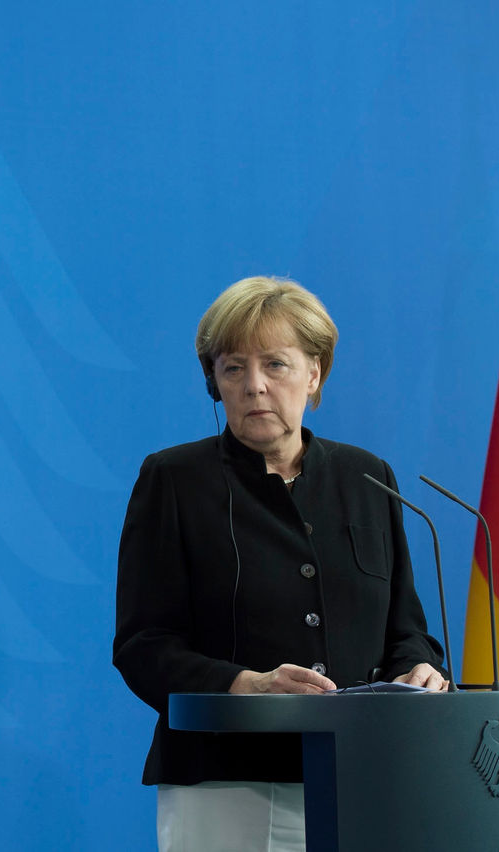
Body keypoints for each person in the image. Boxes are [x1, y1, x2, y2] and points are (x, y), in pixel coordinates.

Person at [112, 276, 446, 852]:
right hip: (228, 785)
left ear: (315, 373)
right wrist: (245, 684)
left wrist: (420, 668)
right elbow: (143, 645)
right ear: (214, 382)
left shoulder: (368, 479)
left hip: (365, 776)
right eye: (233, 368)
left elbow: (406, 630)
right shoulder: (173, 481)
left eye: (276, 364)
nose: (254, 386)